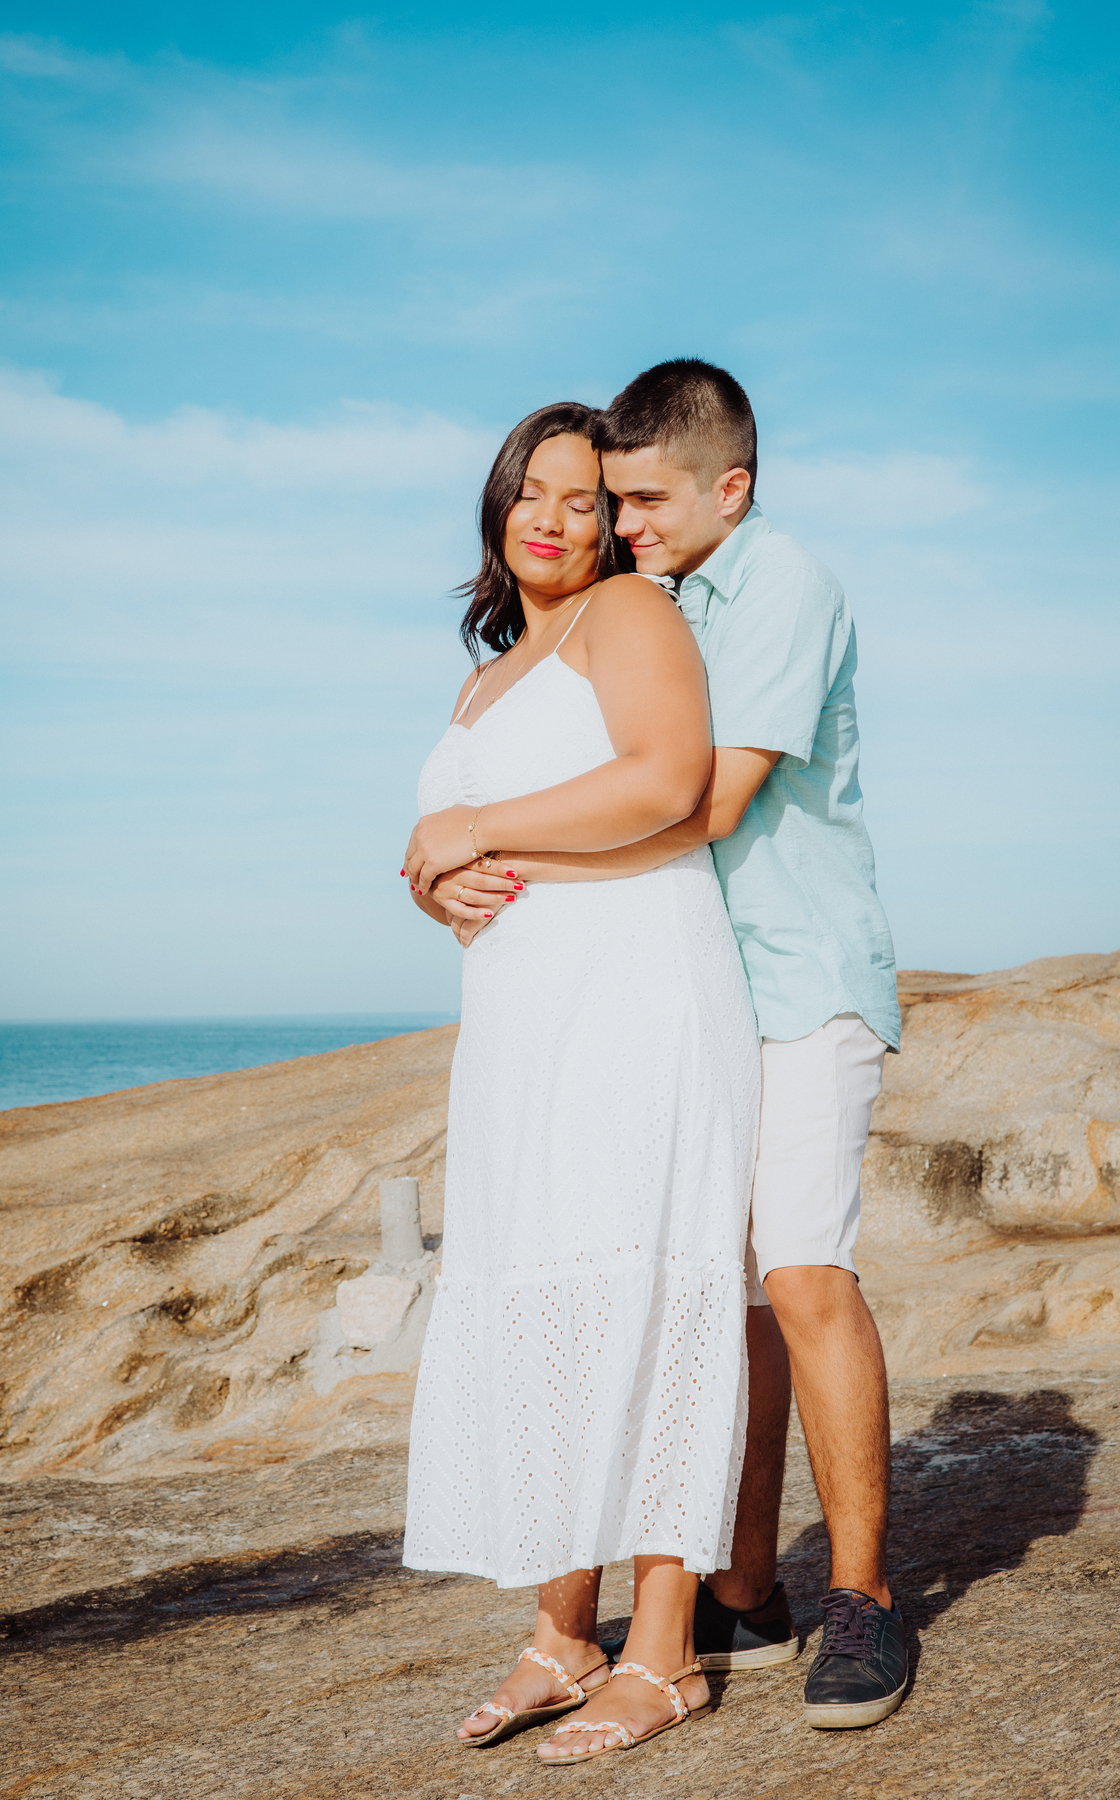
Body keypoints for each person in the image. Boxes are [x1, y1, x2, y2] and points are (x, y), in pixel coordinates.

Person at [436, 360, 908, 1732]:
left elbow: (694, 802)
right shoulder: (664, 597)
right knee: (725, 1292)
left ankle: (862, 1601)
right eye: (609, 500)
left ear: (730, 488)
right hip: (693, 991)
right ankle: (745, 1578)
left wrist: (473, 836)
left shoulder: (783, 586)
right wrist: (437, 870)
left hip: (797, 979)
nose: (622, 521)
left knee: (804, 1275)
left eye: (640, 497)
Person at [400, 400, 762, 1763]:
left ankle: (662, 1657)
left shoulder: (630, 619)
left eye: (584, 499)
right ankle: (563, 1633)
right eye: (532, 494)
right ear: (497, 507)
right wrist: (442, 883)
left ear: (616, 521)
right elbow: (464, 848)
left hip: (638, 999)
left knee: (648, 1294)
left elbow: (669, 783)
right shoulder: (492, 670)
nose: (556, 519)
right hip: (520, 1025)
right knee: (555, 1303)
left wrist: (473, 830)